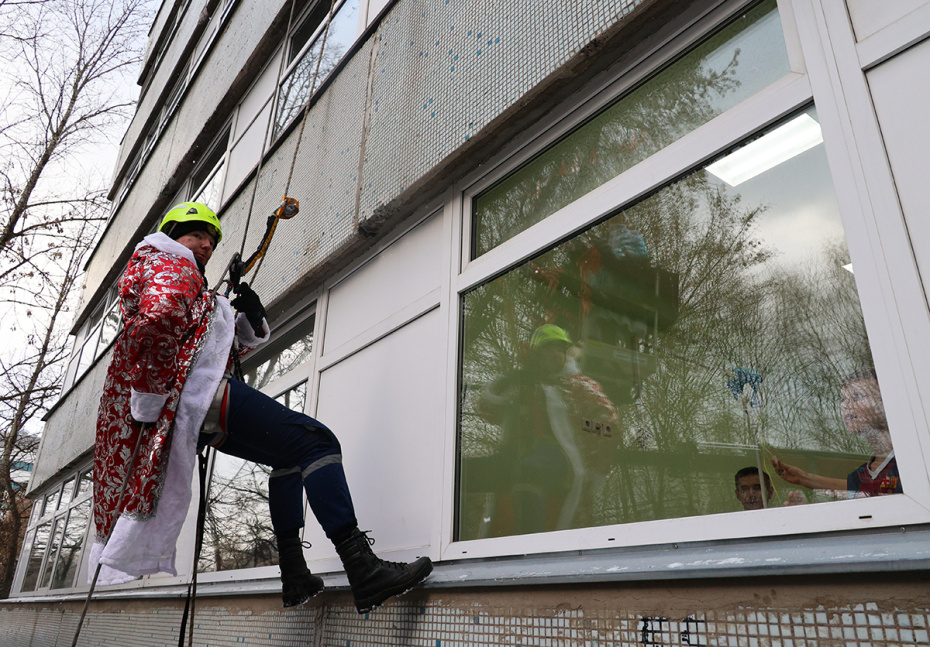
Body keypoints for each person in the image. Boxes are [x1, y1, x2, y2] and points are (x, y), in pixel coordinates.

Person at [91, 202, 432, 614]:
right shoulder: (169, 264)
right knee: (316, 442)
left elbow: (212, 342)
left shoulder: (183, 280)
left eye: (211, 240)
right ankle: (364, 570)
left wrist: (248, 315)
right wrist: (151, 396)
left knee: (289, 460)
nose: (205, 246)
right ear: (173, 234)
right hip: (197, 396)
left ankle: (294, 576)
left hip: (193, 404)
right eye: (196, 235)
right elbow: (157, 321)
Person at [478, 324, 621, 534]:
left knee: (528, 471)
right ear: (536, 354)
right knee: (466, 472)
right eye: (548, 349)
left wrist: (579, 430)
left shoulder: (579, 385)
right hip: (515, 457)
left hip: (558, 456)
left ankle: (531, 544)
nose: (555, 355)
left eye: (560, 350)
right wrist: (505, 383)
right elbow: (488, 412)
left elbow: (609, 428)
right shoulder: (522, 384)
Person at [772, 368, 902, 498]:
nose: (845, 405)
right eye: (843, 398)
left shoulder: (910, 460)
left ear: (885, 402)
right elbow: (855, 490)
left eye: (858, 396)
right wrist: (803, 478)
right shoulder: (859, 476)